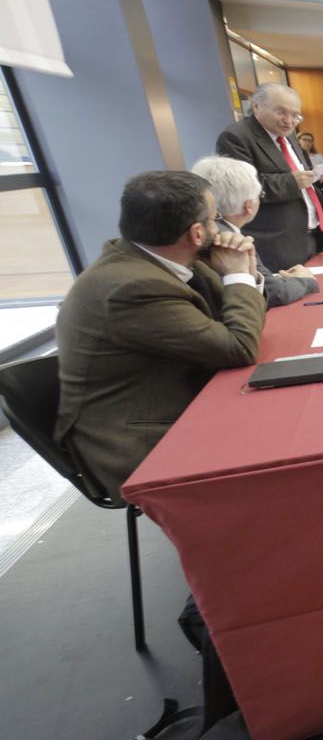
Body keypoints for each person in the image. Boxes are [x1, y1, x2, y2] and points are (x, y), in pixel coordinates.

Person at [54, 171, 266, 504]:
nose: (219, 228)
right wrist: (238, 275)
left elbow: (234, 321)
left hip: (173, 394)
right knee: (280, 441)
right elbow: (238, 346)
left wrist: (243, 272)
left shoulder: (157, 259)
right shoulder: (132, 288)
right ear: (197, 233)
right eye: (214, 220)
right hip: (136, 441)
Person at [214, 84, 323, 271]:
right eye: (281, 112)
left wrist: (315, 175)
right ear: (256, 106)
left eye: (296, 115)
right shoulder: (236, 137)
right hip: (276, 244)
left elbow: (297, 173)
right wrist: (293, 182)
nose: (289, 121)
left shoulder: (289, 137)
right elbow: (242, 189)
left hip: (308, 237)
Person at [189, 156, 319, 307]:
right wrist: (304, 281)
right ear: (248, 206)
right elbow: (273, 293)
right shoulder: (229, 239)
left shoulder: (200, 230)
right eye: (260, 196)